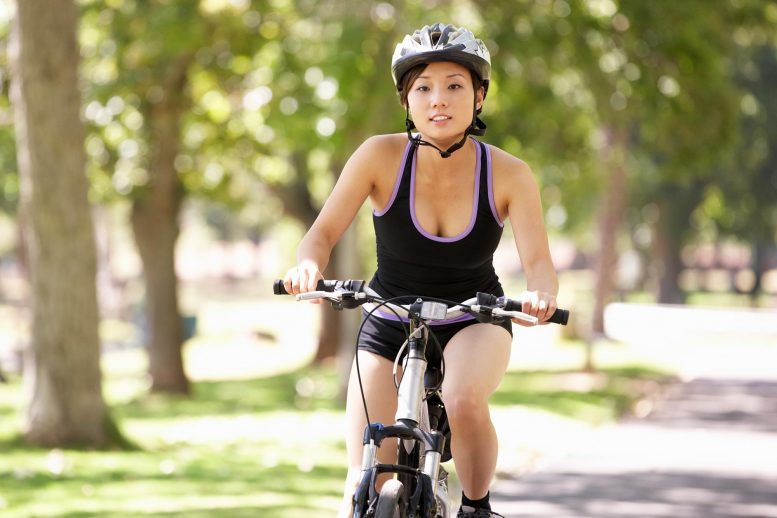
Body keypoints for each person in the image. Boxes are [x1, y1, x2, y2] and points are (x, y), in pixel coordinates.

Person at [282, 23, 559, 518]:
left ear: (478, 98)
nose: (439, 100)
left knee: (461, 394)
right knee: (364, 475)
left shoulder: (509, 173)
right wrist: (308, 266)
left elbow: (539, 262)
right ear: (406, 100)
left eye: (455, 85)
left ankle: (477, 507)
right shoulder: (379, 156)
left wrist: (540, 295)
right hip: (389, 317)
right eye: (423, 88)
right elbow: (320, 235)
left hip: (474, 317)